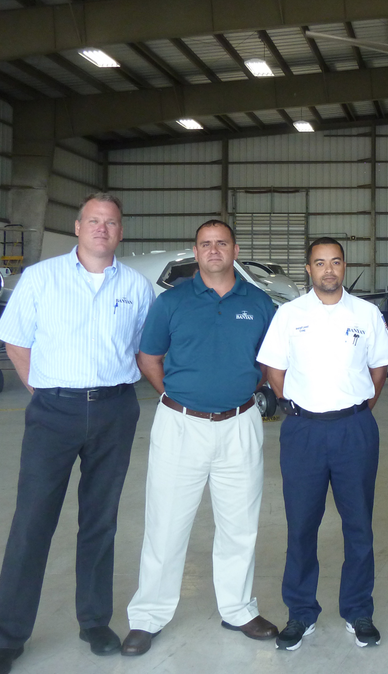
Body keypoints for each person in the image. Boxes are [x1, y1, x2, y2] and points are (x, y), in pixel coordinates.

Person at [0, 193, 155, 674]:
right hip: (53, 412)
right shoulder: (41, 278)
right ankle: (8, 636)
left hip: (116, 409)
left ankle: (95, 621)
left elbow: (143, 348)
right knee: (32, 521)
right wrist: (46, 390)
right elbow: (15, 340)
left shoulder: (137, 287)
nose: (102, 228)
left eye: (111, 222)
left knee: (100, 520)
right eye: (94, 220)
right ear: (77, 227)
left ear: (120, 231)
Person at [120, 219, 278, 656]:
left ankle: (239, 609)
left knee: (239, 525)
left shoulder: (260, 302)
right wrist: (177, 397)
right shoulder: (171, 302)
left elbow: (269, 361)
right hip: (180, 425)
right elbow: (149, 357)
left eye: (221, 243)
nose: (213, 251)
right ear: (196, 251)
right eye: (205, 244)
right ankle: (148, 616)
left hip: (240, 423)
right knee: (165, 524)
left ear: (235, 249)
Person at [257, 237, 388, 651]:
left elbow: (379, 371)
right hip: (303, 432)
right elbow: (273, 370)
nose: (329, 270)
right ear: (309, 270)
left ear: (344, 266)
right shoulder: (289, 314)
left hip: (354, 429)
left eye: (335, 262)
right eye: (320, 263)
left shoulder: (367, 314)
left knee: (358, 526)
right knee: (301, 526)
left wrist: (350, 410)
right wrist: (302, 408)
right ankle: (300, 612)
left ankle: (358, 611)